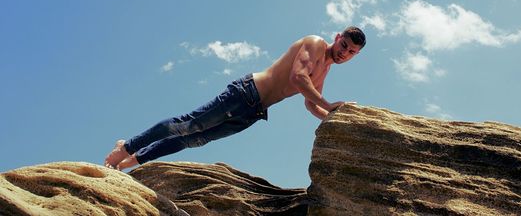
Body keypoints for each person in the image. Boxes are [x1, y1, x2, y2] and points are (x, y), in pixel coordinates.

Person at [104, 26, 366, 170]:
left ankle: (129, 162)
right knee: (188, 124)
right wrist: (329, 105)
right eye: (345, 45)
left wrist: (332, 117)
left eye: (352, 52)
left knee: (192, 140)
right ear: (337, 37)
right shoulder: (316, 43)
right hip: (247, 93)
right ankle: (126, 147)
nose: (345, 53)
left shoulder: (326, 68)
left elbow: (311, 102)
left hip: (253, 112)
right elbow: (299, 78)